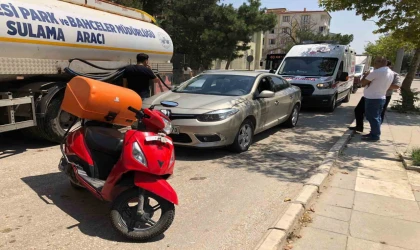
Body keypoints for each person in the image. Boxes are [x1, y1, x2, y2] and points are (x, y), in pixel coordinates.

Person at [357, 56, 394, 142]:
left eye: (376, 62)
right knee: (377, 117)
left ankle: (375, 135)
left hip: (372, 98)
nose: (374, 64)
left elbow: (362, 83)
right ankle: (373, 133)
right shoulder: (390, 72)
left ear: (380, 63)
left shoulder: (376, 72)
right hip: (381, 97)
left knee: (372, 117)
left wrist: (366, 75)